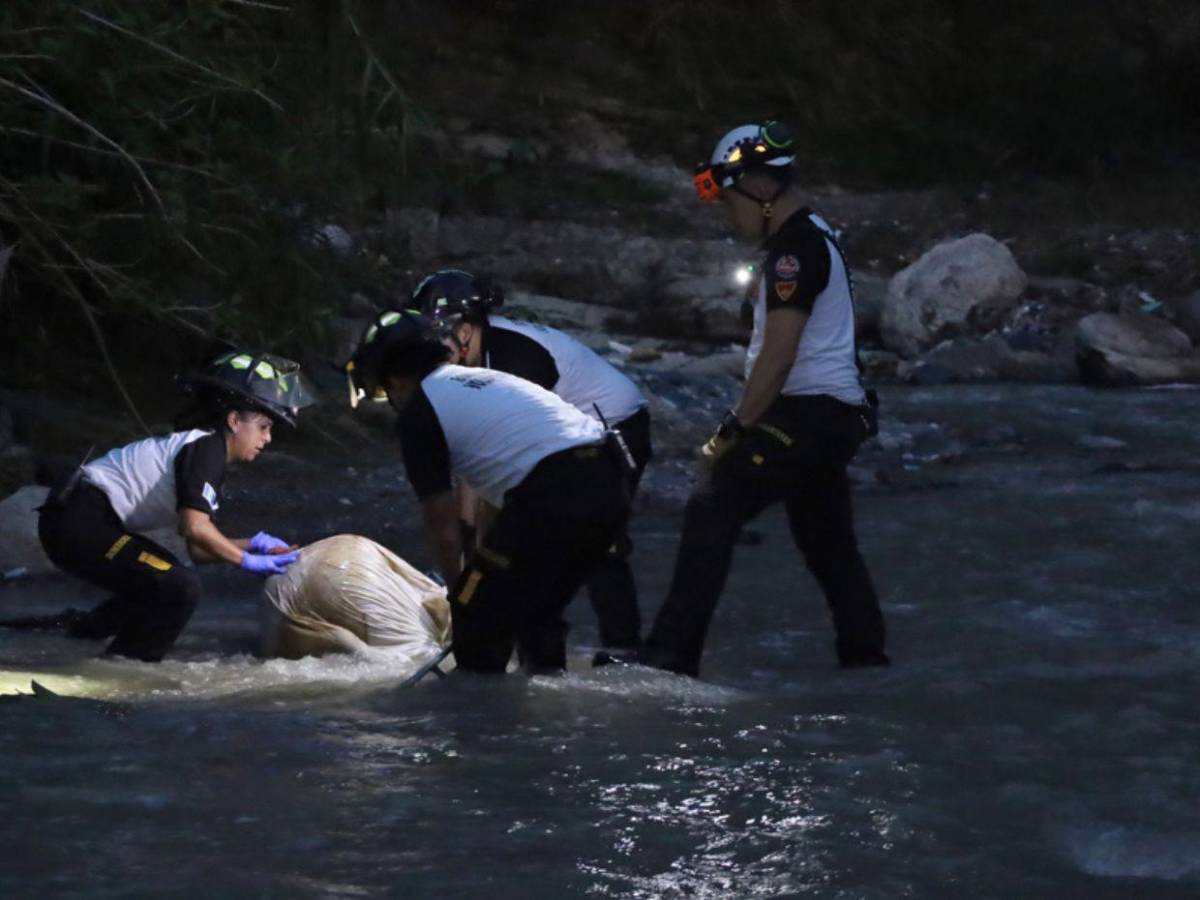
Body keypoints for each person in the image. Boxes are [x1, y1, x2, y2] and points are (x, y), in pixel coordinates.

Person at [635, 121, 889, 677]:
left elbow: (779, 355)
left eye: (731, 202)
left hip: (805, 414)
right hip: (836, 418)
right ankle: (866, 659)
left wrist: (730, 431)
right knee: (827, 542)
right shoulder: (815, 234)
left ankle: (669, 659)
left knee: (712, 501)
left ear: (758, 186)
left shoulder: (794, 250)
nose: (732, 217)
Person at [345, 309, 631, 674]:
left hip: (555, 489)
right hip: (610, 481)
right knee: (536, 609)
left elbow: (441, 520)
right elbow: (506, 497)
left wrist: (459, 592)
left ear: (396, 380)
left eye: (384, 392)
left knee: (477, 609)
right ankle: (544, 688)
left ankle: (478, 705)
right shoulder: (484, 380)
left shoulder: (420, 411)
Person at [1, 351, 312, 661]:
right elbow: (195, 527)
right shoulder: (207, 449)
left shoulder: (206, 450)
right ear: (233, 420)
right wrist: (246, 560)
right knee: (179, 587)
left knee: (159, 579)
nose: (268, 438)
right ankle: (124, 667)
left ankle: (76, 631)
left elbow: (198, 550)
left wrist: (254, 545)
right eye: (263, 426)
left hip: (77, 520)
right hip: (80, 519)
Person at [412, 269, 651, 653]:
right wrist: (470, 540)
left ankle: (623, 647)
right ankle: (533, 644)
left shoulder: (514, 357)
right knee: (528, 541)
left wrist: (481, 551)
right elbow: (481, 461)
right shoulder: (478, 361)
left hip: (616, 426)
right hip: (568, 440)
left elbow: (513, 454)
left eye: (439, 335)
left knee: (596, 539)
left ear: (467, 330)